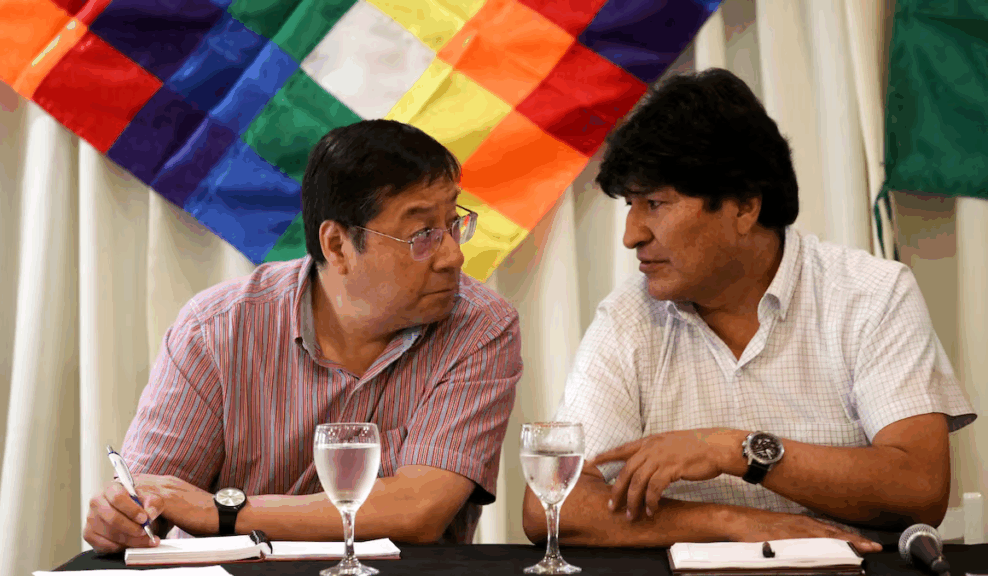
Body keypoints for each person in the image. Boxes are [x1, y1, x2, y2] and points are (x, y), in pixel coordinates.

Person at [523, 69, 976, 551]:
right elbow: (552, 505)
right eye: (630, 205)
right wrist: (729, 522)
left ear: (743, 207)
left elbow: (920, 489)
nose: (631, 235)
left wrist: (736, 450)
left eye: (654, 203)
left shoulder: (871, 295)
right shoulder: (628, 318)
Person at [83, 120, 522, 552]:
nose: (453, 256)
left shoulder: (480, 327)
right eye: (422, 234)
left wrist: (225, 513)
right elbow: (149, 499)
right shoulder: (217, 328)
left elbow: (419, 509)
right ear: (337, 246)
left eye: (453, 224)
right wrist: (122, 518)